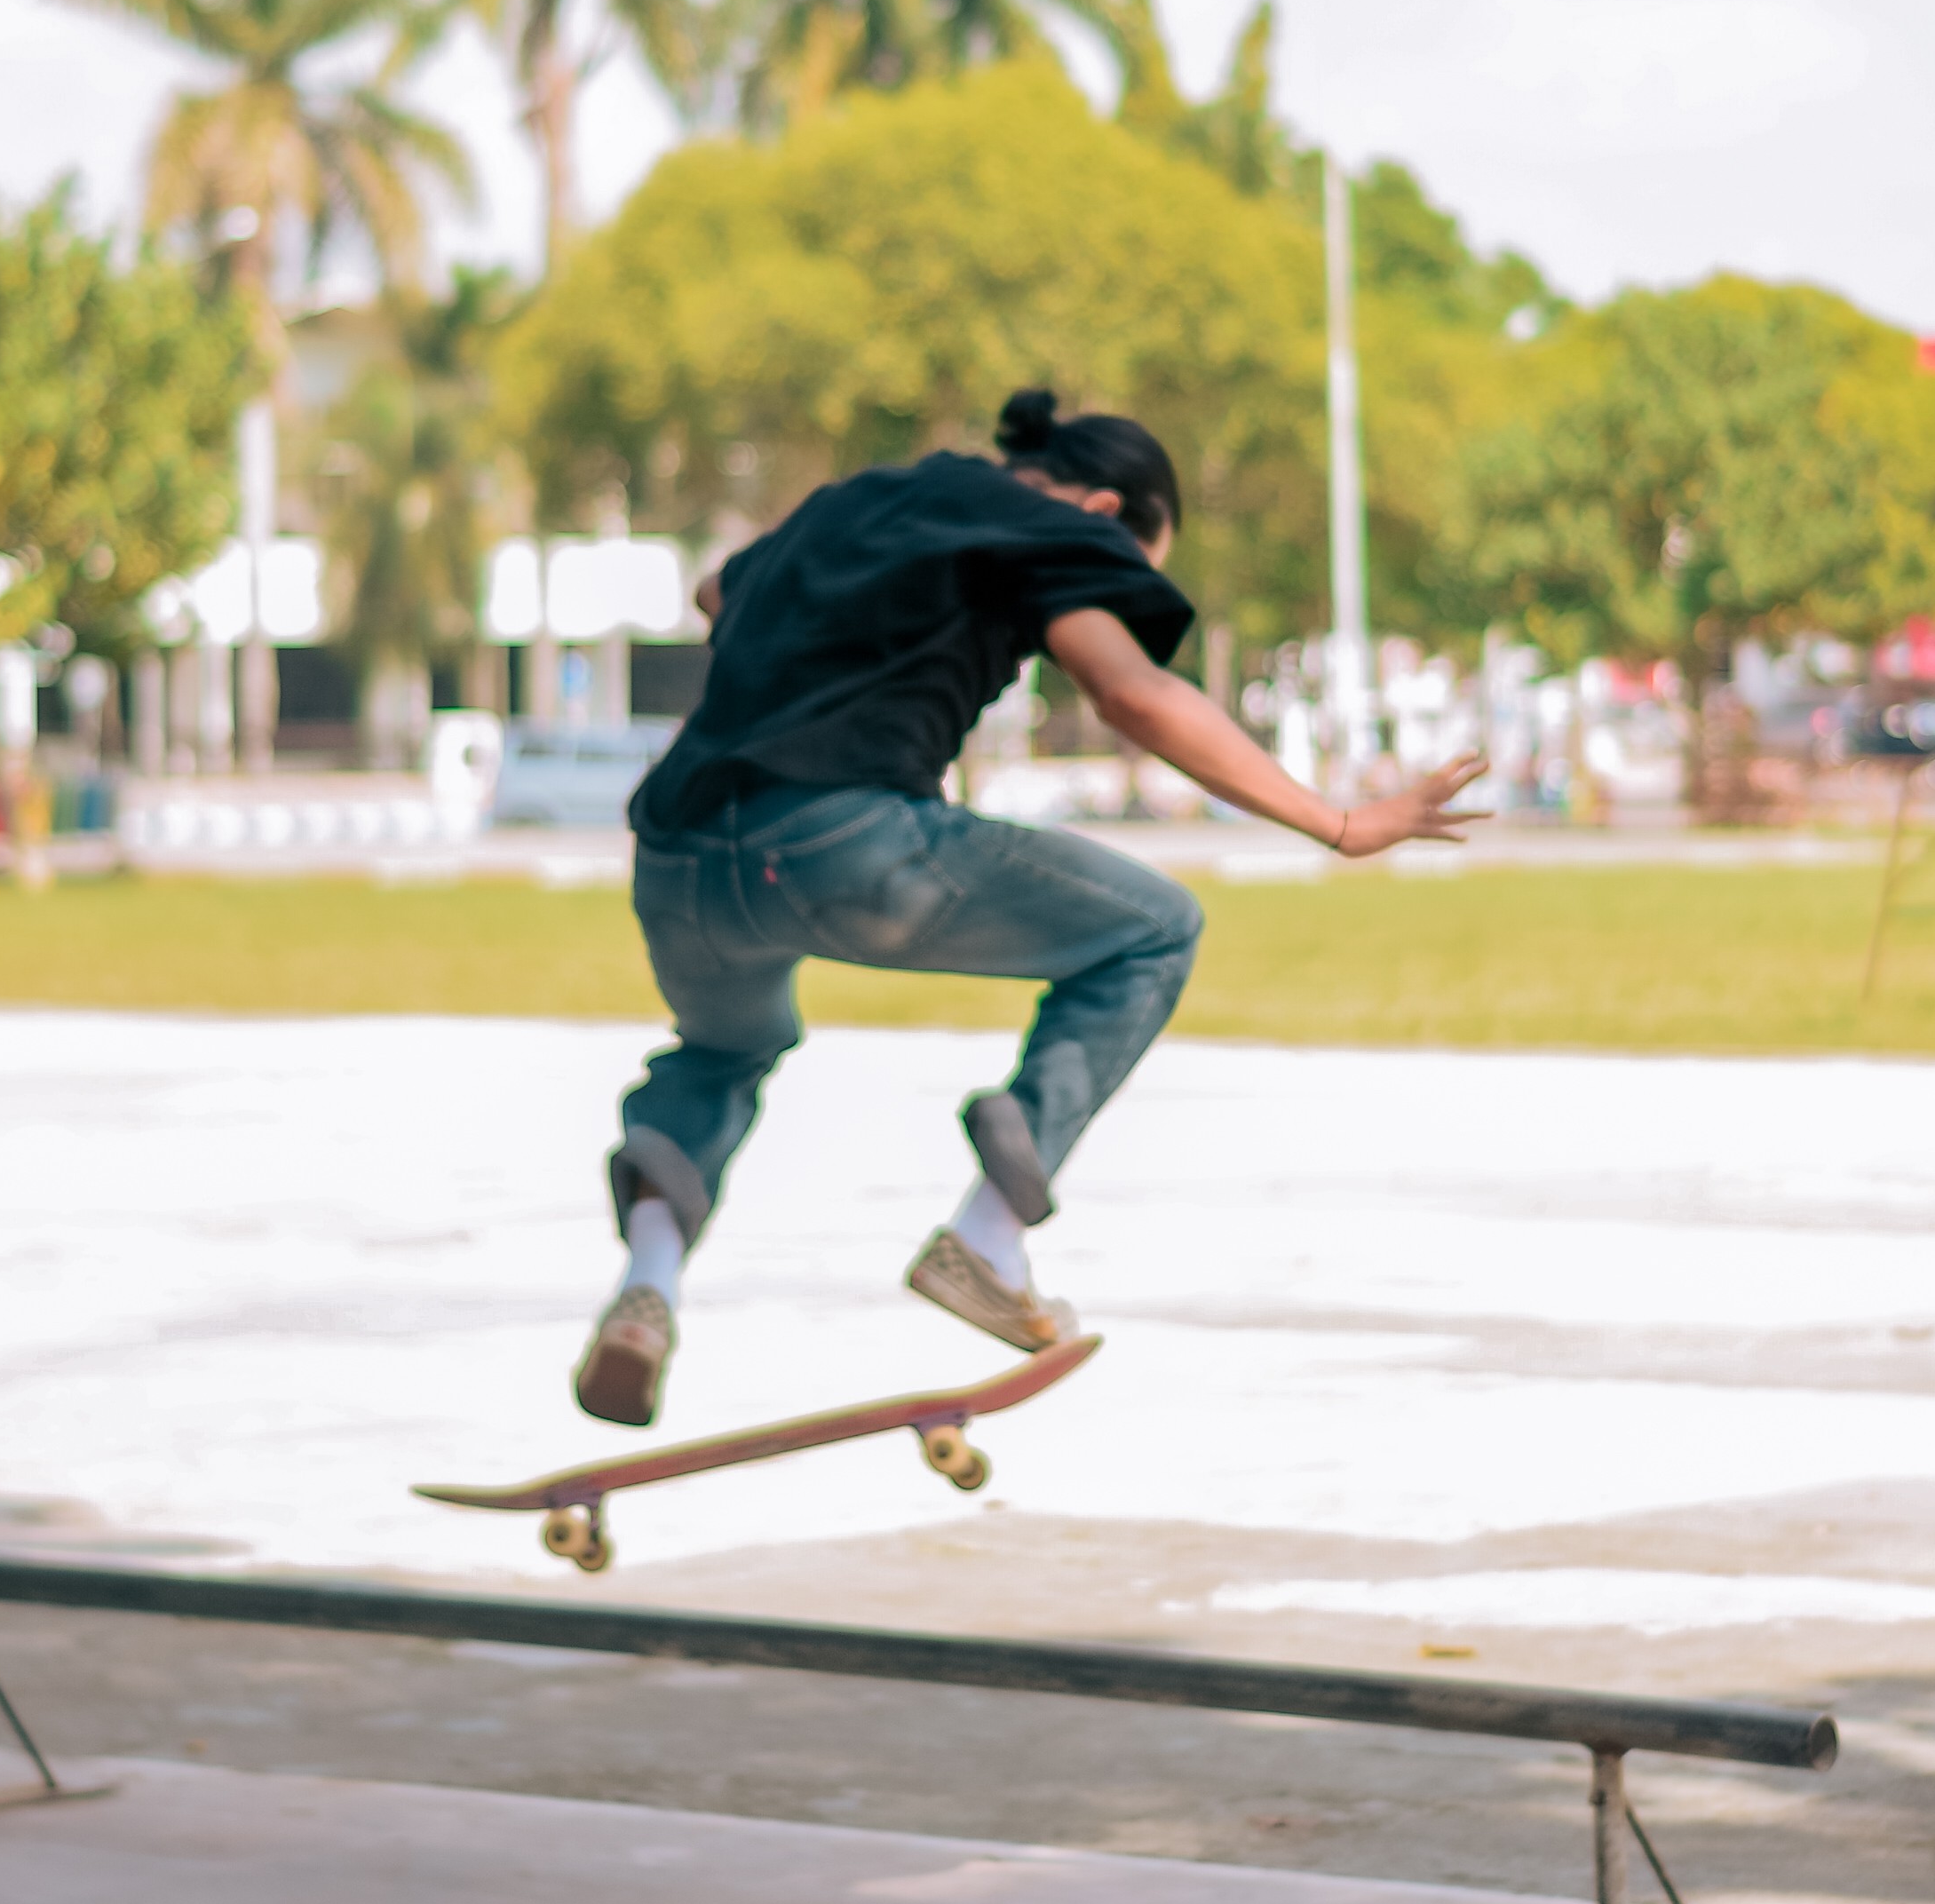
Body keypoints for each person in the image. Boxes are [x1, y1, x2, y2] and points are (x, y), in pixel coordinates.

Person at [573, 386, 1486, 1425]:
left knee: (723, 1051)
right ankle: (989, 1237)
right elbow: (1130, 690)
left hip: (681, 860)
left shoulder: (862, 496)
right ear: (1102, 510)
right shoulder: (1050, 525)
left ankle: (644, 1289)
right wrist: (1337, 821)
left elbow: (714, 592)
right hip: (850, 844)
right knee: (1152, 929)